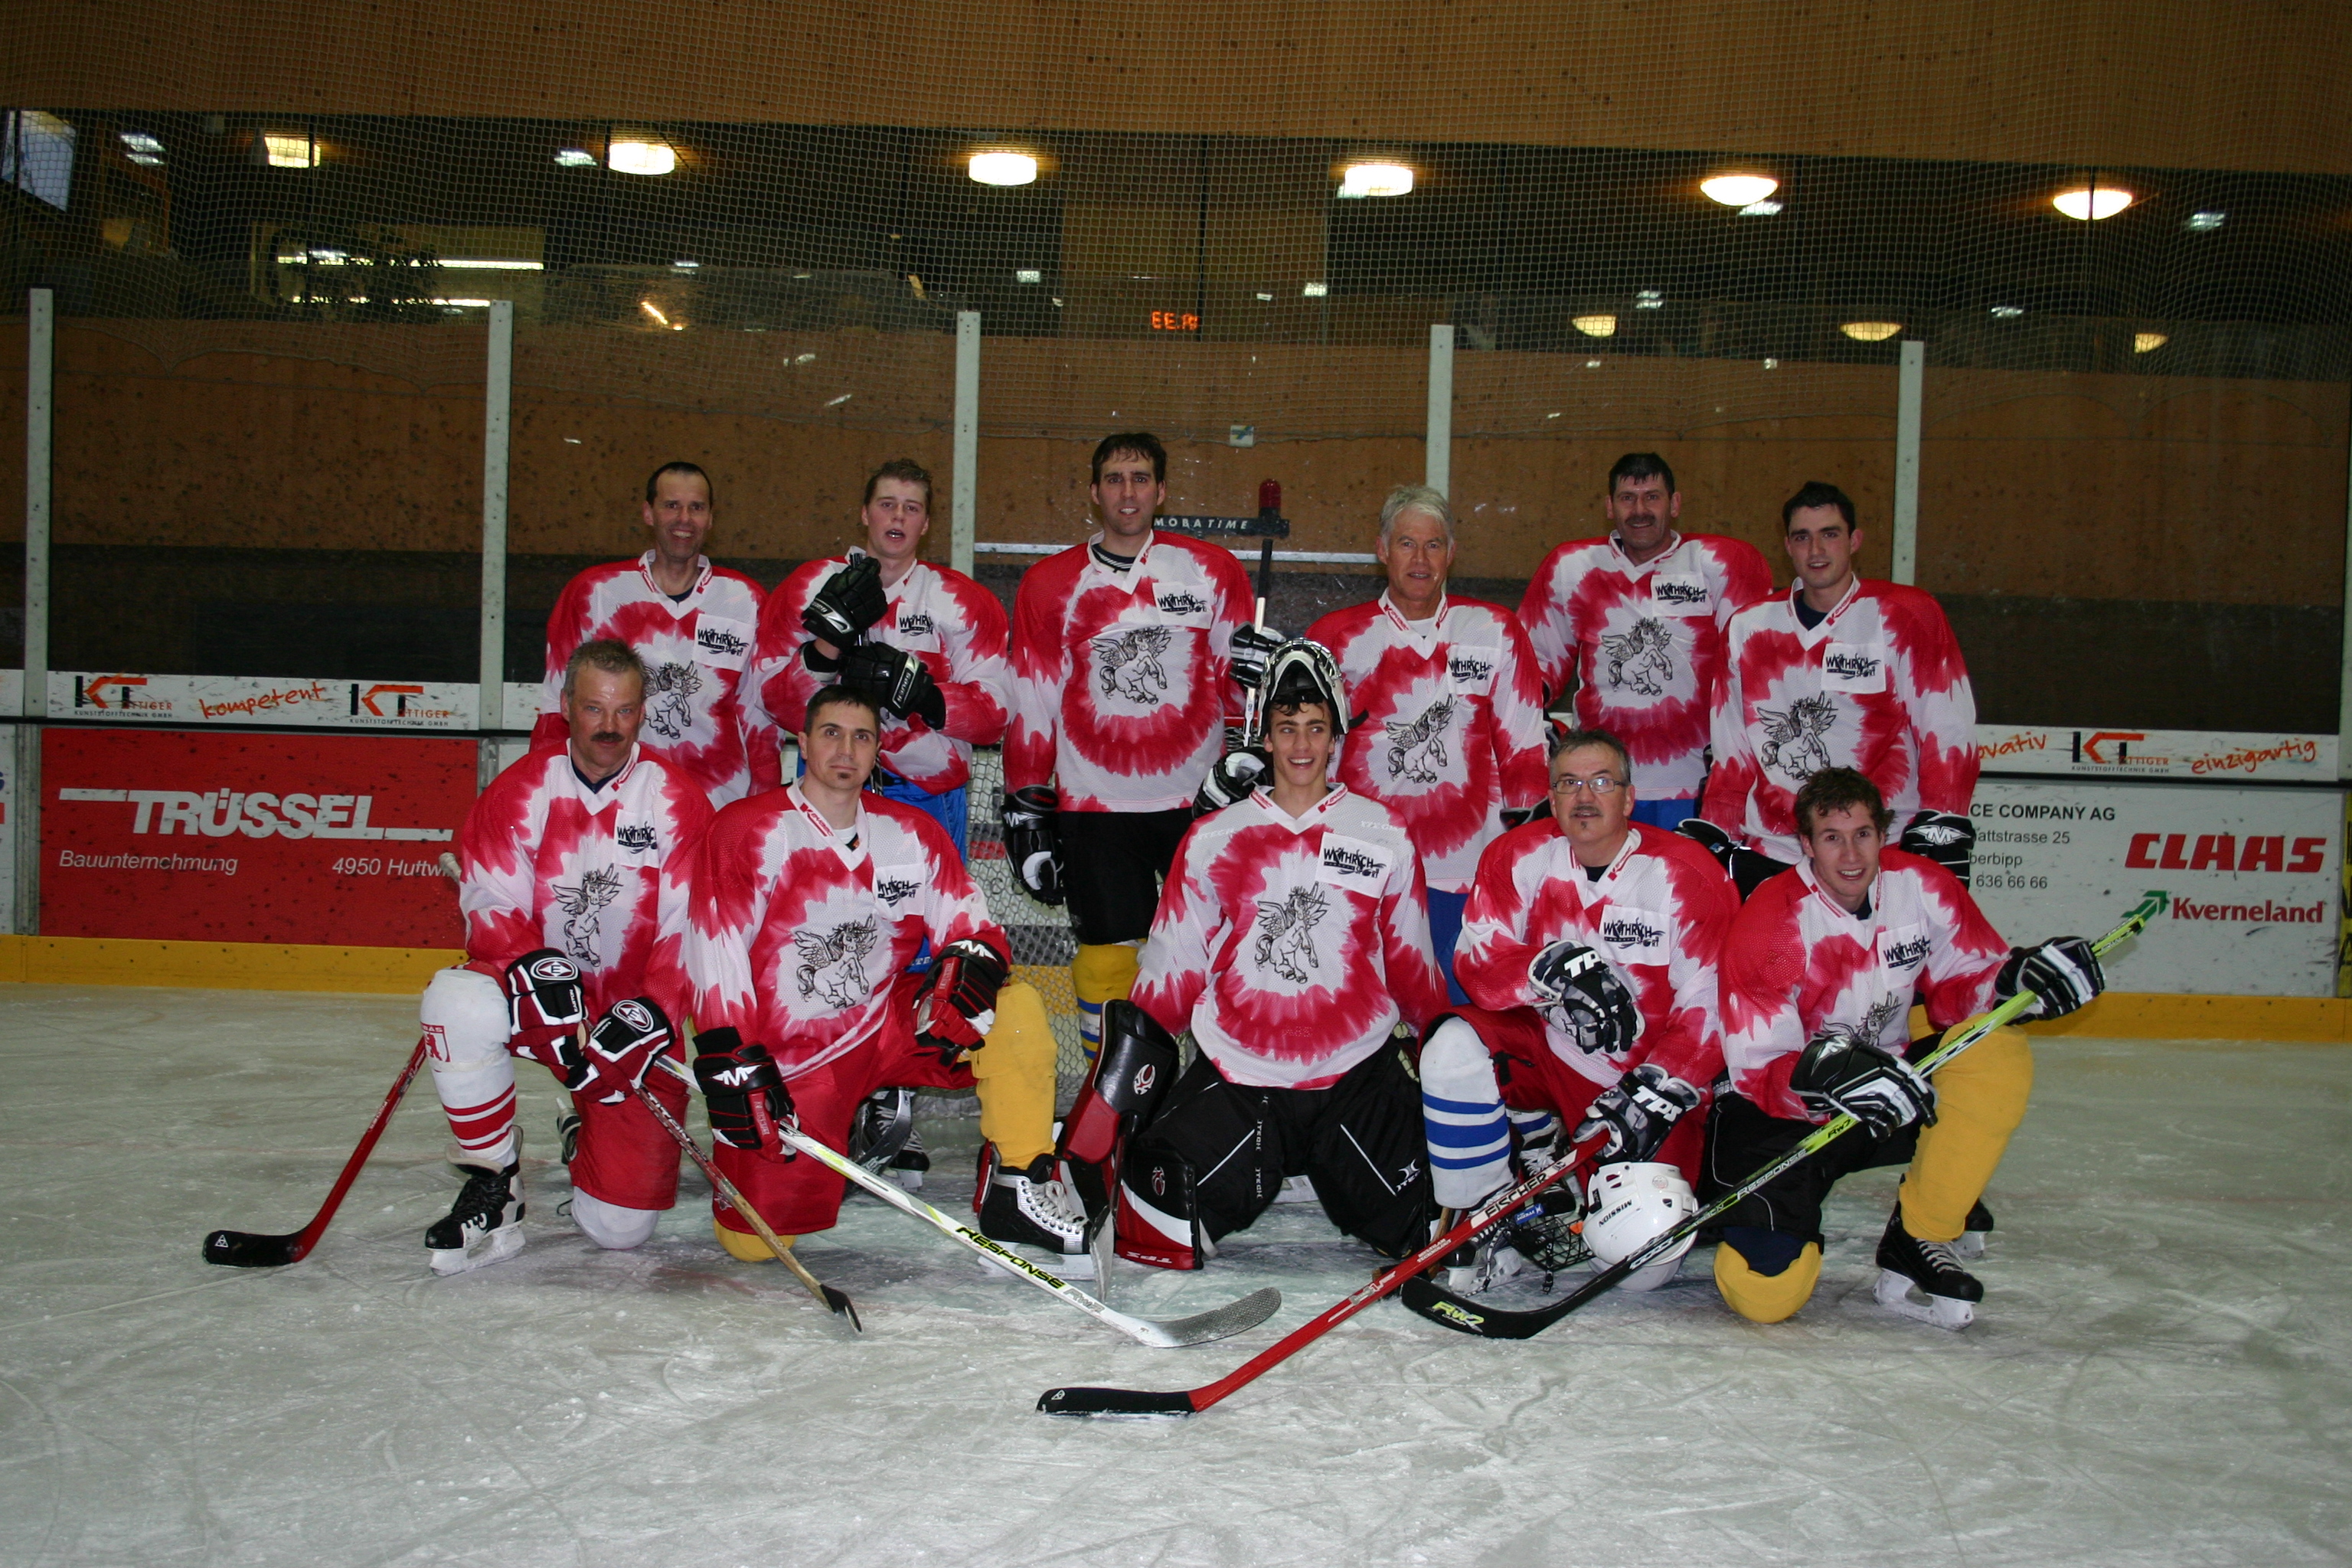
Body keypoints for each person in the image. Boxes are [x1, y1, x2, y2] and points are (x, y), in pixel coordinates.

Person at [674, 685, 1085, 1269]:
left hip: (883, 1026)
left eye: (862, 737)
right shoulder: (748, 830)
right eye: (831, 734)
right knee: (755, 1245)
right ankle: (824, 1130)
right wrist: (734, 1060)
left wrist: (969, 967)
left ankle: (1018, 1184)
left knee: (1013, 1009)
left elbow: (972, 925)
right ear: (803, 742)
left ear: (877, 750)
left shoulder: (912, 832)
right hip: (793, 1063)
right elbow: (715, 956)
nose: (846, 750)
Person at [1707, 768, 2103, 1328]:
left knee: (1993, 1048)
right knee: (1764, 1297)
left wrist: (2016, 983)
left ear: (1883, 835)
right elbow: (1759, 1068)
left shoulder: (1921, 886)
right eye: (1832, 837)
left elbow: (1966, 984)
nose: (1851, 855)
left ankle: (1922, 1231)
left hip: (1893, 1091)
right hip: (1791, 1112)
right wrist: (1833, 1076)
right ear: (1806, 845)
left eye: (1863, 835)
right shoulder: (1772, 920)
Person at [1109, 641, 1449, 1270]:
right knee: (1152, 1227)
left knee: (1435, 1230)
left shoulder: (1383, 833)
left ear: (1337, 736)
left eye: (1316, 728)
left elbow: (1411, 960)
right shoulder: (1214, 837)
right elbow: (1170, 970)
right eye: (1287, 728)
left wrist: (1442, 1047)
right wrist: (1115, 1106)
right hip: (1241, 1076)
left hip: (1354, 1075)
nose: (1301, 745)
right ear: (1263, 737)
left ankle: (1334, 1169)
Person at [417, 639, 713, 1274]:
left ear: (643, 712)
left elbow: (688, 929)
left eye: (625, 710)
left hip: (628, 1028)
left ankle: (585, 1134)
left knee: (619, 1231)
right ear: (567, 707)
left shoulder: (676, 801)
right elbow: (491, 903)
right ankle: (495, 1180)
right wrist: (532, 970)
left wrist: (653, 1013)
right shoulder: (521, 790)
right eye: (594, 708)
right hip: (543, 1005)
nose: (610, 726)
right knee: (458, 1001)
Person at [1417, 727, 1736, 1292]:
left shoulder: (1684, 875)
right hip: (1549, 1050)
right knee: (1450, 1051)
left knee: (1636, 1268)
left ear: (1629, 798)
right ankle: (1485, 1212)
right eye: (1568, 783)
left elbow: (1713, 1007)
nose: (1584, 797)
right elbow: (1476, 960)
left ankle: (1571, 1169)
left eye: (1601, 782)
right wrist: (1544, 969)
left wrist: (1653, 1092)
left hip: (1640, 1081)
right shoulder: (1519, 854)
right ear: (1552, 795)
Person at [1003, 431, 1260, 1060]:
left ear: (1161, 490)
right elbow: (1032, 700)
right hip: (1095, 806)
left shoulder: (1211, 570)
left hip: (1198, 804)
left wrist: (1260, 676)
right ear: (1095, 492)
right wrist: (1026, 804)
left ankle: (1207, 1090)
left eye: (1140, 478)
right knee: (1106, 964)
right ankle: (1113, 1096)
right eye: (1115, 479)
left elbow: (1238, 693)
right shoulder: (1049, 583)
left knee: (1213, 952)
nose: (1128, 491)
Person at [1301, 484, 1546, 1003]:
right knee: (1362, 1010)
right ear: (1382, 550)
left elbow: (1524, 751)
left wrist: (1528, 861)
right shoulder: (1335, 638)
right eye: (1406, 544)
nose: (1420, 559)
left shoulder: (1494, 630)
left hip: (1467, 865)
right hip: (1360, 860)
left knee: (1456, 1016)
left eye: (1433, 545)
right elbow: (1307, 758)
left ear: (1451, 553)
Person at [1690, 480, 1978, 897]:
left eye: (1830, 534)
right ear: (1787, 547)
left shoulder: (1905, 616)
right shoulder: (1746, 627)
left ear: (1854, 540)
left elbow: (1947, 729)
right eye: (1802, 537)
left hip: (1876, 847)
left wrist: (1943, 822)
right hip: (1776, 847)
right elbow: (1732, 746)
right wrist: (1718, 827)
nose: (1816, 550)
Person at [753, 458, 1010, 858]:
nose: (898, 516)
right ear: (864, 513)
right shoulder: (808, 586)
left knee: (930, 901)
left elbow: (994, 719)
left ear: (925, 524)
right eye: (887, 504)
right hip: (827, 784)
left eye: (912, 508)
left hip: (925, 792)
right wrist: (826, 649)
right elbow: (770, 702)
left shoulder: (963, 601)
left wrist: (922, 695)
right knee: (821, 898)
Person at [1517, 452, 1772, 830]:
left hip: (1692, 781)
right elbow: (1532, 664)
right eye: (1628, 498)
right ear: (1609, 506)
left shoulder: (1718, 564)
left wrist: (1737, 773)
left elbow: (1752, 671)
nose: (1640, 511)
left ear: (1675, 503)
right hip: (1601, 782)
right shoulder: (1572, 567)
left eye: (1652, 497)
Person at [533, 462, 777, 807]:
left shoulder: (745, 600)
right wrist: (549, 798)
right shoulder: (596, 592)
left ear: (711, 518)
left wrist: (761, 807)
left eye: (696, 507)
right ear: (648, 513)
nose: (684, 519)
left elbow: (760, 718)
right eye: (671, 505)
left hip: (717, 800)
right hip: (613, 800)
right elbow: (556, 705)